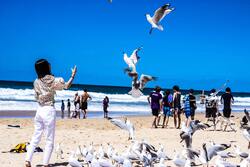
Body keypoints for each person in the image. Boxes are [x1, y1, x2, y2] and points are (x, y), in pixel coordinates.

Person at [25, 59, 77, 167]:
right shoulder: (54, 80)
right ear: (46, 67)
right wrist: (73, 75)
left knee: (36, 136)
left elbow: (37, 97)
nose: (50, 65)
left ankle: (27, 160)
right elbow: (66, 86)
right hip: (49, 110)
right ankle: (45, 164)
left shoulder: (36, 82)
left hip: (39, 110)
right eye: (48, 64)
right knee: (49, 138)